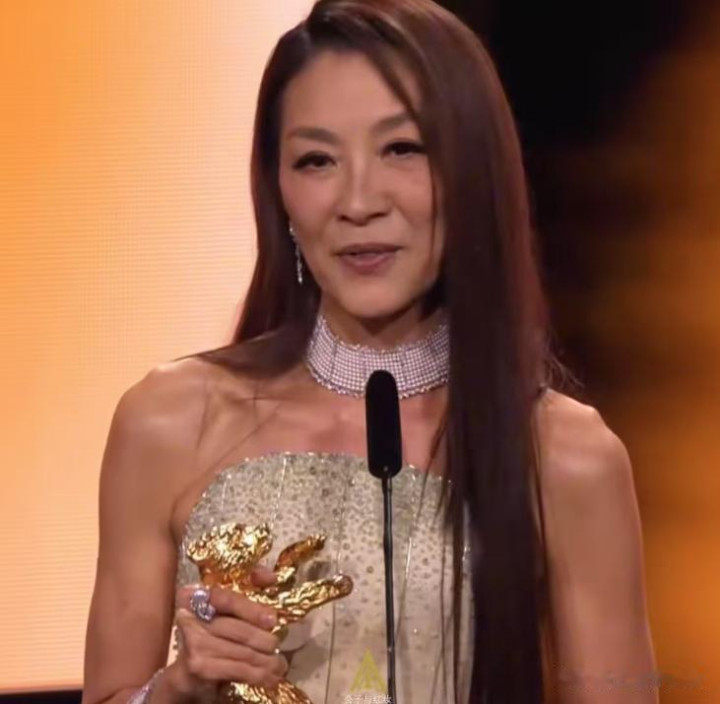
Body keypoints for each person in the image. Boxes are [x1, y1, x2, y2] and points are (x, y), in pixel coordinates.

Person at [81, 0, 659, 702]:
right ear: (279, 193)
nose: (358, 202)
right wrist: (179, 689)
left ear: (472, 174)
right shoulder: (170, 422)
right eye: (316, 160)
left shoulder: (565, 457)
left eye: (402, 149)